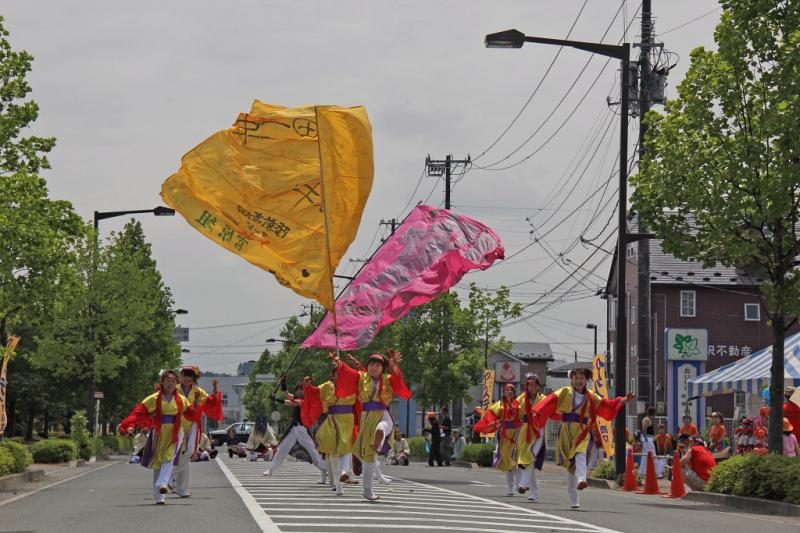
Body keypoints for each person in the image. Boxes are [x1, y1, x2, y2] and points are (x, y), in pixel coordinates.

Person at [532, 367, 634, 509]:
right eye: (576, 378)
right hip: (566, 432)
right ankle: (575, 500)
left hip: (583, 430)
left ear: (586, 380)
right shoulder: (564, 392)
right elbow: (549, 401)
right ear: (571, 379)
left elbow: (607, 404)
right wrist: (538, 411)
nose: (579, 381)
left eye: (582, 378)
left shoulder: (592, 396)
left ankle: (582, 479)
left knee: (580, 453)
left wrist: (622, 401)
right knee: (570, 471)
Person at [330, 349, 412, 501]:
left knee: (382, 427)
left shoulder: (387, 379)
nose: (374, 367)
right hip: (367, 417)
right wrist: (339, 364)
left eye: (378, 365)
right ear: (367, 367)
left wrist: (393, 365)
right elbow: (348, 373)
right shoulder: (362, 377)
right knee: (369, 458)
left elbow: (398, 380)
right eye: (372, 365)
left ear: (382, 368)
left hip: (383, 412)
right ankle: (368, 491)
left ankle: (378, 441)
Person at [119, 370, 200, 504]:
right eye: (167, 381)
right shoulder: (154, 398)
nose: (170, 384)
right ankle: (159, 497)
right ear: (162, 382)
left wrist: (196, 404)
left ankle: (163, 484)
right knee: (158, 463)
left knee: (169, 458)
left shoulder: (180, 399)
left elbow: (190, 413)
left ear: (176, 383)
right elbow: (139, 412)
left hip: (175, 432)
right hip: (159, 432)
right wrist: (130, 425)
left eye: (173, 381)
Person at [301, 367, 359, 496]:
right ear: (332, 376)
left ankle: (345, 473)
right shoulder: (327, 386)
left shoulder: (352, 385)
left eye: (343, 374)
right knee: (334, 454)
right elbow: (315, 392)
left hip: (347, 419)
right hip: (333, 420)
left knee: (346, 447)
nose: (340, 376)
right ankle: (339, 485)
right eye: (337, 374)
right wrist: (308, 386)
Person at [172, 366, 223, 498]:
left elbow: (211, 402)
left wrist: (215, 391)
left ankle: (170, 475)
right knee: (177, 455)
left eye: (190, 376)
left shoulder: (198, 392)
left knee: (190, 452)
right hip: (176, 424)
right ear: (180, 376)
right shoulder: (174, 390)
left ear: (194, 378)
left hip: (193, 424)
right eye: (184, 375)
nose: (187, 378)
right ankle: (182, 488)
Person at [263, 379, 327, 481]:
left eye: (301, 390)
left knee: (313, 453)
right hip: (293, 429)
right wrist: (283, 383)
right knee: (281, 449)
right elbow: (287, 397)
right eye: (297, 390)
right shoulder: (297, 398)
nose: (299, 392)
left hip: (303, 430)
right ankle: (270, 470)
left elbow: (291, 401)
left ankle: (325, 473)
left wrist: (277, 398)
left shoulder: (307, 400)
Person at [473, 384, 522, 497]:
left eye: (511, 390)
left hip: (516, 434)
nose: (509, 392)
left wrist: (517, 435)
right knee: (507, 461)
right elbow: (490, 415)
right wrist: (492, 423)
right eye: (507, 390)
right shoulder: (499, 405)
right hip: (504, 435)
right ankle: (510, 487)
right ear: (504, 392)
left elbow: (521, 420)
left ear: (515, 393)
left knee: (517, 461)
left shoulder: (519, 404)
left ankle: (519, 485)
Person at [516, 374, 547, 502]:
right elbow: (513, 411)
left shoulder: (544, 399)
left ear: (539, 387)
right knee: (529, 460)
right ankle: (535, 493)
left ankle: (523, 485)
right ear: (527, 386)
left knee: (531, 456)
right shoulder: (522, 398)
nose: (533, 387)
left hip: (539, 430)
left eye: (535, 385)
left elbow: (553, 407)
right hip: (525, 431)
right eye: (530, 385)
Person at [639, 407, 664, 478]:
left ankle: (643, 472)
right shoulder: (647, 419)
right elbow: (644, 429)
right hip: (647, 438)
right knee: (653, 455)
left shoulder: (648, 419)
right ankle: (656, 473)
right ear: (653, 413)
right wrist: (646, 439)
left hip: (648, 438)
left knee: (646, 456)